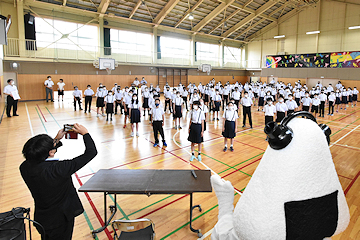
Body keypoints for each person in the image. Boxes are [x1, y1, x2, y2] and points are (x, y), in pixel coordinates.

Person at [20, 124, 97, 240]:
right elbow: (91, 152)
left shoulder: (24, 167)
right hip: (61, 220)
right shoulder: (58, 169)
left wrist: (55, 140)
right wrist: (85, 134)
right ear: (51, 152)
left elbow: (40, 155)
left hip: (43, 218)